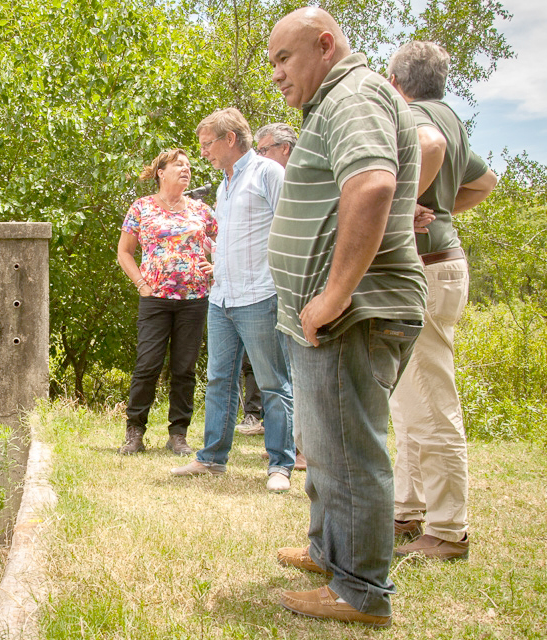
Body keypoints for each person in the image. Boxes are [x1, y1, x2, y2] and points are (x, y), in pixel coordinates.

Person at [266, 8, 427, 627]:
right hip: (334, 316)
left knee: (349, 450)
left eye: (284, 58)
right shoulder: (338, 98)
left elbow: (372, 188)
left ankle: (360, 592)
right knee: (327, 445)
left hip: (354, 314)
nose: (276, 74)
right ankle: (328, 554)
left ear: (324, 45)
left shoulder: (353, 95)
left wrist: (332, 298)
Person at [386, 41, 498, 560]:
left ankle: (449, 529)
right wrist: (440, 208)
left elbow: (423, 152)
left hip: (426, 271)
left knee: (431, 401)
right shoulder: (450, 117)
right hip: (442, 264)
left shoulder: (412, 117)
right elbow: (485, 181)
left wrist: (403, 205)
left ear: (395, 79)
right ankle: (407, 511)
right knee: (409, 398)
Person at [170, 108, 296, 492]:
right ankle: (212, 459)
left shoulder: (269, 174)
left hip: (260, 294)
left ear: (229, 139)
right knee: (220, 380)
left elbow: (292, 228)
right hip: (222, 298)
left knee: (273, 382)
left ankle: (280, 465)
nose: (203, 153)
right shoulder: (225, 185)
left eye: (208, 144)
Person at [117, 149, 217, 456]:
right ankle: (134, 432)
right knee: (147, 365)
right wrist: (141, 284)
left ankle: (178, 434)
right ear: (161, 172)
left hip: (194, 299)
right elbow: (124, 252)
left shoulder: (201, 211)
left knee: (184, 368)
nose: (186, 170)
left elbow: (226, 241)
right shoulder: (142, 208)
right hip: (155, 299)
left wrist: (217, 268)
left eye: (188, 166)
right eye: (179, 165)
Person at [253, 123, 307, 472]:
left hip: (301, 287)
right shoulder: (268, 183)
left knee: (301, 369)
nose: (259, 157)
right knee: (283, 370)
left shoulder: (302, 180)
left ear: (285, 148)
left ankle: (302, 449)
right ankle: (289, 442)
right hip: (272, 288)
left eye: (265, 149)